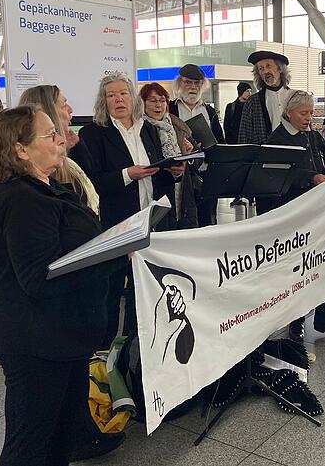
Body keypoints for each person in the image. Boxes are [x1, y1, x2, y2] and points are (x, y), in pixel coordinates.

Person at [0, 106, 117, 466]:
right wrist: (108, 258)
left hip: (60, 337)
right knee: (28, 447)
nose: (60, 138)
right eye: (49, 134)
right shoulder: (22, 199)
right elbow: (39, 277)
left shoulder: (46, 188)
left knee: (60, 439)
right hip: (34, 341)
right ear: (22, 150)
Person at [79, 73, 182, 339]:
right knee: (113, 289)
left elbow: (157, 169)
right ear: (104, 101)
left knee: (148, 287)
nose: (118, 99)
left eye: (122, 93)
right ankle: (107, 350)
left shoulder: (146, 128)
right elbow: (91, 182)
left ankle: (139, 343)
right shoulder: (94, 133)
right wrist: (127, 174)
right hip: (119, 223)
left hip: (153, 220)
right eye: (111, 95)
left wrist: (173, 172)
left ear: (132, 97)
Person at [265, 90, 325, 342]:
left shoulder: (315, 136)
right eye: (303, 113)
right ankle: (296, 322)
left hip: (321, 209)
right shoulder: (277, 138)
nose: (309, 117)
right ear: (288, 112)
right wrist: (310, 177)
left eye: (311, 112)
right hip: (294, 211)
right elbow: (278, 175)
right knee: (299, 269)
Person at [19, 85, 98, 214]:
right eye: (64, 105)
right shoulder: (35, 182)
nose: (70, 110)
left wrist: (78, 148)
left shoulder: (68, 160)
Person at [169, 64, 225, 226]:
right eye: (188, 82)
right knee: (183, 219)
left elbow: (220, 142)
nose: (192, 87)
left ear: (202, 85)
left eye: (197, 83)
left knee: (208, 220)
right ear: (180, 83)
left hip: (206, 173)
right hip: (181, 174)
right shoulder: (171, 109)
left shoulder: (210, 111)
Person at [140, 82, 198, 229]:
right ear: (142, 103)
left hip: (182, 191)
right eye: (152, 101)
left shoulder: (178, 126)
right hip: (156, 191)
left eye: (162, 100)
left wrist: (188, 156)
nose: (158, 105)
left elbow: (198, 159)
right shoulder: (138, 129)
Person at [238, 50, 292, 145]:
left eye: (268, 66)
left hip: (294, 155)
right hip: (264, 156)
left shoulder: (296, 98)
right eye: (261, 68)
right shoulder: (253, 102)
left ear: (279, 69)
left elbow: (307, 133)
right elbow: (244, 137)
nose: (265, 71)